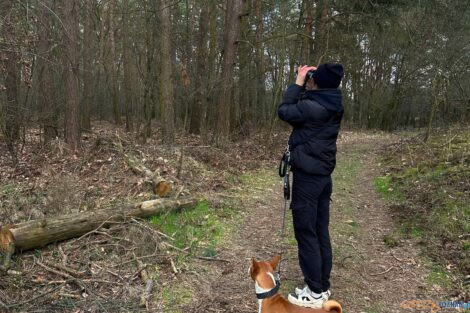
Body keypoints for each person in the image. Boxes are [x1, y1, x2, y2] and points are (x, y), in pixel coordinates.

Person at [278, 63, 344, 308]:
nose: (309, 80)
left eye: (314, 78)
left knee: (306, 232)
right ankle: (322, 285)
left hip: (307, 178)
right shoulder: (332, 103)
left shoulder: (311, 107)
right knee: (320, 230)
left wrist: (298, 81)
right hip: (323, 177)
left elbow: (284, 110)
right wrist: (312, 83)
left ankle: (315, 292)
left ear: (318, 83)